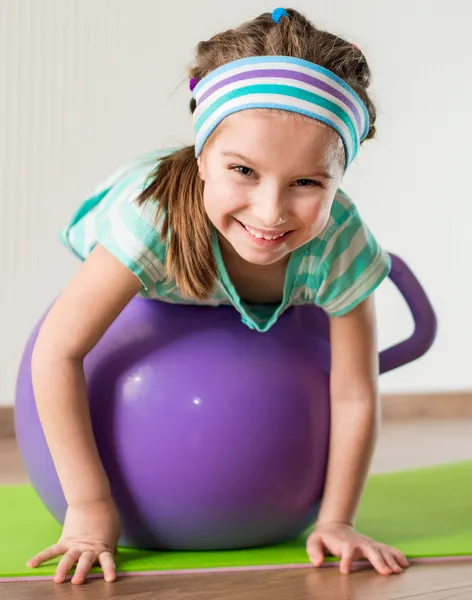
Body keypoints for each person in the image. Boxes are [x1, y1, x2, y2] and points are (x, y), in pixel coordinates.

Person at [27, 7, 409, 585]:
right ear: (203, 156)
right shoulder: (152, 224)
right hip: (158, 247)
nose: (270, 210)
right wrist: (89, 509)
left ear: (340, 178)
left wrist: (336, 519)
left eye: (308, 182)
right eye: (243, 170)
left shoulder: (340, 243)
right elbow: (57, 352)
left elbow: (355, 392)